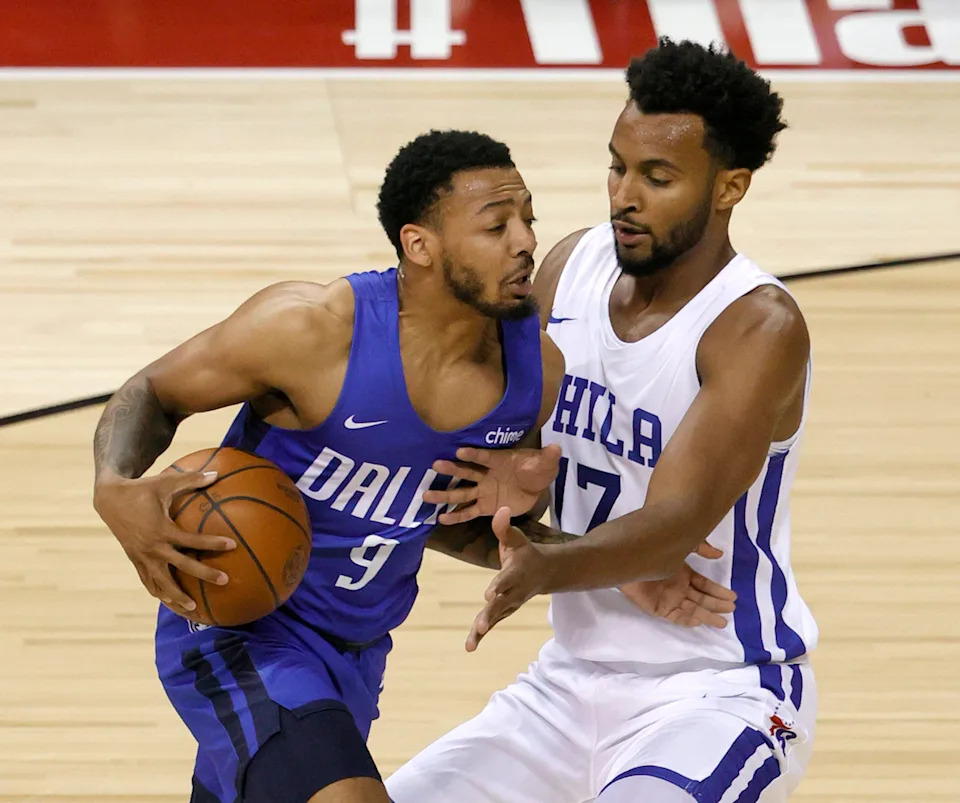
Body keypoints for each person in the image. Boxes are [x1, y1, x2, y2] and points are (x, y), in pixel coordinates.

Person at [386, 39, 819, 803]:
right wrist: (508, 488)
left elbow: (673, 525)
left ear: (730, 187)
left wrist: (543, 566)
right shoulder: (568, 267)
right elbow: (502, 469)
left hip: (720, 691)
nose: (624, 193)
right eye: (617, 165)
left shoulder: (756, 326)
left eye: (657, 177)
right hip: (567, 682)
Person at [91, 129, 566, 803]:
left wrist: (521, 519)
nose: (524, 241)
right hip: (241, 627)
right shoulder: (311, 331)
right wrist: (113, 486)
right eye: (497, 225)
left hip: (357, 651)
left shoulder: (533, 374)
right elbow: (155, 392)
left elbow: (451, 522)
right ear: (419, 244)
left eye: (528, 219)